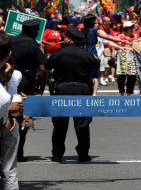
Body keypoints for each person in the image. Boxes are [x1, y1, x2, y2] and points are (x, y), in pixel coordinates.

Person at [46, 27, 100, 162]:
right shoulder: (87, 54)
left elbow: (47, 65)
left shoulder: (59, 53)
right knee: (82, 124)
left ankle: (57, 154)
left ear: (69, 39)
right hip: (82, 90)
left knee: (59, 124)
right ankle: (83, 153)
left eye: (65, 37)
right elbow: (96, 64)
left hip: (62, 90)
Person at [10, 19, 47, 162]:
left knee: (7, 115)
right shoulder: (34, 45)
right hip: (26, 84)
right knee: (23, 118)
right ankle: (19, 152)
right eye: (37, 30)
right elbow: (42, 70)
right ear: (32, 31)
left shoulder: (11, 41)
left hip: (8, 81)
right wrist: (41, 89)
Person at [0, 30, 24, 188]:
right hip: (6, 122)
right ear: (9, 54)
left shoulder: (12, 75)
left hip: (6, 120)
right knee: (9, 169)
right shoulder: (16, 75)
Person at [116, 22, 138, 96]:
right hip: (122, 58)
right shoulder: (120, 36)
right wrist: (130, 47)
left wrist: (126, 46)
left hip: (132, 58)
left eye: (132, 27)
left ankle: (129, 94)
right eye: (131, 28)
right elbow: (119, 44)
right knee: (121, 77)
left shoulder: (135, 36)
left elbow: (137, 47)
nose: (132, 29)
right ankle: (121, 93)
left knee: (132, 77)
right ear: (126, 29)